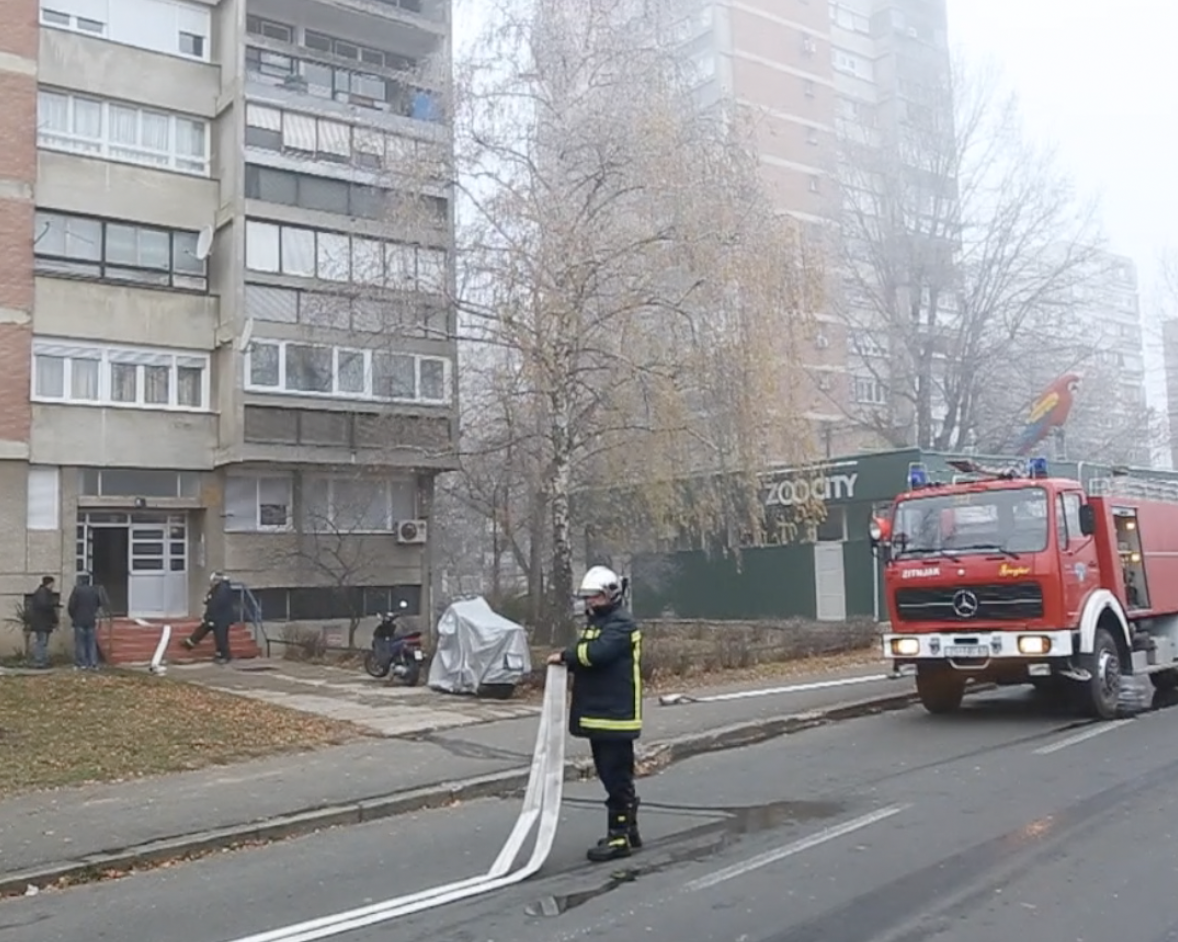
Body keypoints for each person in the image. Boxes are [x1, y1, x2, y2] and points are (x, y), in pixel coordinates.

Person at [548, 565, 643, 863]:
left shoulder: (621, 625)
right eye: (588, 597)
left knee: (615, 775)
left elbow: (595, 654)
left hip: (614, 714)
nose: (590, 602)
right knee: (611, 774)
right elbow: (584, 648)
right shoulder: (599, 623)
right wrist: (571, 656)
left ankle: (619, 837)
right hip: (600, 713)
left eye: (596, 597)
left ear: (611, 595)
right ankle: (628, 828)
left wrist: (566, 656)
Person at [182, 573, 235, 664]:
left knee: (221, 637)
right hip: (216, 617)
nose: (211, 583)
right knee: (204, 629)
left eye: (212, 581)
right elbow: (211, 600)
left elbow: (216, 605)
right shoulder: (219, 588)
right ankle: (190, 642)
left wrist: (210, 618)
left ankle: (225, 656)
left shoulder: (222, 589)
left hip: (220, 618)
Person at [67, 573, 103, 671]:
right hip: (91, 620)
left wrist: (73, 616)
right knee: (91, 643)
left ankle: (82, 663)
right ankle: (93, 663)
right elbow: (99, 604)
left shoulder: (77, 591)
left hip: (79, 620)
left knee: (80, 643)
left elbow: (71, 606)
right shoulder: (94, 591)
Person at [28, 575, 60, 669]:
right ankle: (40, 661)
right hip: (42, 622)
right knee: (42, 642)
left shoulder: (42, 593)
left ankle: (42, 660)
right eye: (52, 584)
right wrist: (54, 606)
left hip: (42, 622)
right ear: (49, 583)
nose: (53, 586)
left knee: (42, 642)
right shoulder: (43, 593)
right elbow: (45, 607)